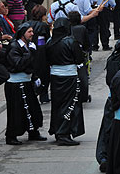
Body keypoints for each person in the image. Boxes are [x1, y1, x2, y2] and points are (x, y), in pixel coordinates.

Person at [4, 23, 46, 145]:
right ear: (22, 33)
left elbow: (34, 64)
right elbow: (18, 64)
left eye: (32, 31)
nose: (32, 34)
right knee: (16, 111)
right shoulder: (14, 46)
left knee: (33, 108)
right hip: (15, 84)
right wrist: (30, 54)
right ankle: (11, 135)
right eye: (29, 32)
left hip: (27, 81)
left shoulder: (29, 46)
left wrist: (35, 76)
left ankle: (33, 131)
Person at [46, 17, 86, 145]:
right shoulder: (70, 41)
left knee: (57, 105)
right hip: (69, 77)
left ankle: (58, 131)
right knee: (70, 104)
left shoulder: (50, 42)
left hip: (55, 76)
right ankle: (64, 133)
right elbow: (79, 58)